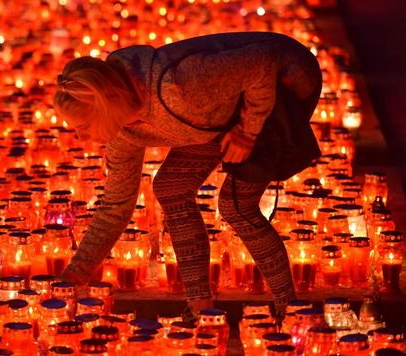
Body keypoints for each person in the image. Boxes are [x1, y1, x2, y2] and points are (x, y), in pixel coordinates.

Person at [53, 32, 322, 318]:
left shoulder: (179, 86)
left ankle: (291, 310)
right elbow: (115, 206)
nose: (80, 137)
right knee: (172, 188)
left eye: (83, 124)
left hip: (286, 80)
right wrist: (74, 275)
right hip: (213, 116)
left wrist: (247, 131)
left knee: (236, 205)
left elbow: (263, 60)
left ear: (105, 105)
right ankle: (200, 308)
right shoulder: (124, 134)